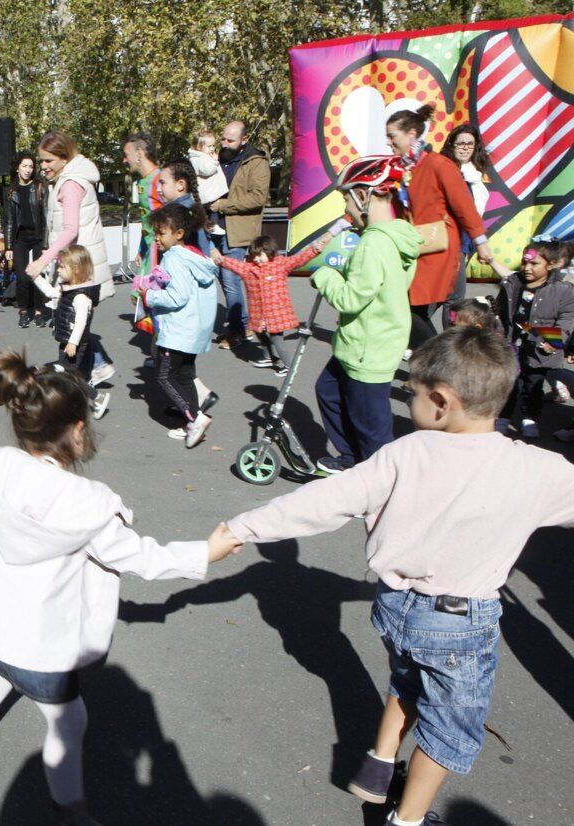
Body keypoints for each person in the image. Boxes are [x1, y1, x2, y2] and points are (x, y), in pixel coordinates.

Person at [0, 350, 241, 823]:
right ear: (79, 429)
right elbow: (140, 556)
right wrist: (204, 552)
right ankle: (71, 811)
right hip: (42, 646)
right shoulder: (88, 503)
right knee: (68, 720)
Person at [221, 326, 574, 826]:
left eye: (409, 393)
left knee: (407, 678)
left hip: (395, 606)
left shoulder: (403, 454)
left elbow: (324, 501)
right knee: (449, 728)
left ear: (441, 401)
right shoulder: (536, 469)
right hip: (460, 621)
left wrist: (240, 527)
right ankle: (407, 820)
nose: (407, 402)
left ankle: (380, 765)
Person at [309, 156, 420, 474]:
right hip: (364, 343)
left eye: (347, 197)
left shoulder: (372, 245)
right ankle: (351, 459)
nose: (346, 207)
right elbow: (395, 282)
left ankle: (377, 488)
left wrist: (326, 275)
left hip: (367, 350)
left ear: (363, 195)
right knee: (328, 390)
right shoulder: (397, 236)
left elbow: (350, 298)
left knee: (372, 429)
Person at [384, 106, 492, 351]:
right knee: (412, 311)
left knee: (408, 309)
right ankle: (436, 364)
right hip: (414, 248)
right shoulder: (402, 167)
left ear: (412, 134)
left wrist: (481, 243)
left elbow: (465, 207)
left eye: (393, 136)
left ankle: (440, 360)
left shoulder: (439, 164)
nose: (389, 141)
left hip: (438, 250)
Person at [27, 131, 115, 387]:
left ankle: (88, 377)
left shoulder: (70, 184)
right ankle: (96, 367)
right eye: (41, 161)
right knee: (74, 321)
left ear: (64, 158)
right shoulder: (68, 180)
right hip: (76, 263)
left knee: (71, 323)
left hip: (77, 267)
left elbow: (70, 230)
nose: (42, 167)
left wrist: (43, 260)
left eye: (47, 161)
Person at [143, 203, 218, 448]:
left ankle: (194, 419)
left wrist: (150, 296)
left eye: (161, 233)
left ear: (178, 233)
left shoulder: (174, 257)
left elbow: (178, 296)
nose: (157, 239)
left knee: (165, 376)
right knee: (184, 374)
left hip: (177, 330)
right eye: (155, 233)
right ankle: (192, 422)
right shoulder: (193, 255)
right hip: (193, 330)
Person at [211, 232, 333, 376]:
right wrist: (221, 260)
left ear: (269, 252)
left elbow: (299, 259)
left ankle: (289, 366)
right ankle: (270, 357)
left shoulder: (280, 264)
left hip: (276, 312)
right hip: (258, 312)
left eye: (260, 255)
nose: (257, 259)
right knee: (259, 332)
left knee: (277, 339)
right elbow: (235, 264)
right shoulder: (249, 268)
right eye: (254, 256)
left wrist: (314, 249)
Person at [488, 238, 574, 439]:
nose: (527, 268)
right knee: (509, 382)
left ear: (551, 265)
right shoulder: (513, 283)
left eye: (534, 264)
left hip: (539, 348)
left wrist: (555, 342)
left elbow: (567, 319)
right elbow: (502, 310)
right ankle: (503, 416)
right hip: (510, 343)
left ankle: (530, 417)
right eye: (524, 262)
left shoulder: (562, 290)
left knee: (532, 384)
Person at [28, 244, 111, 420]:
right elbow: (51, 292)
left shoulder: (80, 296)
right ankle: (80, 398)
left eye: (62, 267)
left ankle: (96, 397)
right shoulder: (67, 288)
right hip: (69, 341)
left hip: (74, 343)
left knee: (67, 374)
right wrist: (36, 278)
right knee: (69, 373)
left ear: (75, 270)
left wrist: (73, 342)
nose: (58, 270)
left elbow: (81, 322)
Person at [208, 120, 269, 349]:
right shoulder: (218, 159)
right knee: (224, 280)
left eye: (229, 140)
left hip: (237, 230)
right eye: (223, 138)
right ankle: (243, 322)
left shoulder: (257, 162)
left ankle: (238, 331)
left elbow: (257, 198)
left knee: (230, 280)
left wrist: (223, 205)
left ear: (244, 140)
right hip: (213, 227)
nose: (224, 143)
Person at [437, 125, 490, 328]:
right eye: (461, 143)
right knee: (455, 296)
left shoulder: (473, 173)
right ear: (451, 144)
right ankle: (447, 343)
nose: (465, 148)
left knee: (445, 293)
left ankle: (414, 336)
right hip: (449, 240)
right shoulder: (449, 171)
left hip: (464, 242)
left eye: (470, 143)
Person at [3, 153, 48, 328]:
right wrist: (8, 246)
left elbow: (45, 217)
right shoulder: (11, 191)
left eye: (31, 166)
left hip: (37, 237)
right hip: (20, 239)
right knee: (22, 277)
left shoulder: (39, 187)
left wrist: (45, 244)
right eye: (24, 166)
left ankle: (38, 311)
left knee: (38, 275)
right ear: (17, 168)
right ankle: (23, 311)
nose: (28, 170)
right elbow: (8, 220)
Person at [121, 134, 163, 278]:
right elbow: (148, 221)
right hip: (150, 252)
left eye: (127, 155)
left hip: (162, 255)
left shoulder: (160, 180)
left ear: (139, 154)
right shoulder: (141, 180)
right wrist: (142, 248)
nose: (124, 160)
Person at [188, 130, 228, 237]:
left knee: (210, 210)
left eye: (213, 145)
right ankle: (212, 226)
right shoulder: (197, 159)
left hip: (209, 189)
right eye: (209, 146)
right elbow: (206, 170)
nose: (212, 148)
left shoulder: (202, 157)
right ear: (199, 146)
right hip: (207, 192)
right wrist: (214, 161)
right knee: (212, 208)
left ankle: (210, 225)